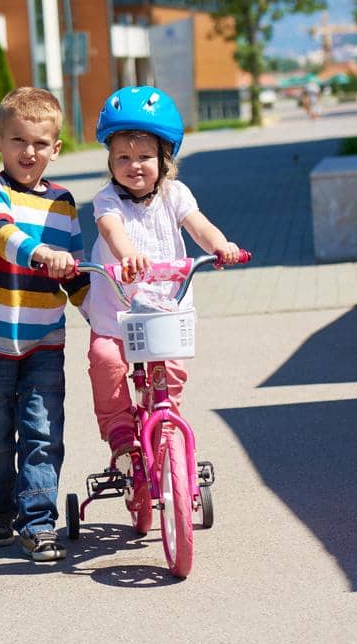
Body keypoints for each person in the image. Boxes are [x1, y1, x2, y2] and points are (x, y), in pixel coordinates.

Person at [84, 86, 242, 472]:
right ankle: (120, 430)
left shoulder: (174, 194)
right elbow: (110, 230)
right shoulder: (107, 200)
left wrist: (221, 246)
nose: (133, 165)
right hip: (116, 309)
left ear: (164, 158)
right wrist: (127, 256)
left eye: (144, 157)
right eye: (122, 156)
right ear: (110, 160)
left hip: (165, 307)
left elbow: (198, 226)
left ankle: (166, 421)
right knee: (105, 359)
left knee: (169, 366)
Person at [0, 87, 87, 563]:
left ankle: (38, 524)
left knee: (41, 433)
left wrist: (99, 312)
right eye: (18, 140)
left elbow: (73, 272)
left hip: (44, 342)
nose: (28, 152)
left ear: (55, 149)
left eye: (39, 143)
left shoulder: (64, 203)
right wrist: (39, 254)